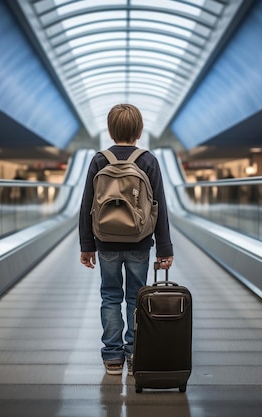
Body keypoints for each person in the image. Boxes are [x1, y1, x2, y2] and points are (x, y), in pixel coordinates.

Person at [79, 103, 174, 376]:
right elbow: (160, 207)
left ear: (110, 131)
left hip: (105, 243)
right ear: (140, 130)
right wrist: (164, 249)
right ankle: (134, 354)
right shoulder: (148, 161)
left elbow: (87, 205)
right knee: (136, 297)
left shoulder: (99, 160)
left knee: (110, 296)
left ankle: (112, 357)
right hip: (139, 243)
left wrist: (87, 246)